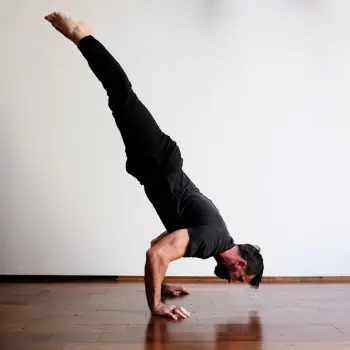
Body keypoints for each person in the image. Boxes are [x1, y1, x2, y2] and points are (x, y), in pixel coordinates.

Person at [44, 12, 264, 320]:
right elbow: (156, 254)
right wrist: (157, 304)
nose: (232, 281)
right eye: (240, 278)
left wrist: (162, 281)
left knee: (120, 98)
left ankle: (84, 38)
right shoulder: (211, 240)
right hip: (158, 160)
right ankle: (82, 35)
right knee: (121, 95)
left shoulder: (213, 238)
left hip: (155, 163)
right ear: (241, 265)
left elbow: (157, 245)